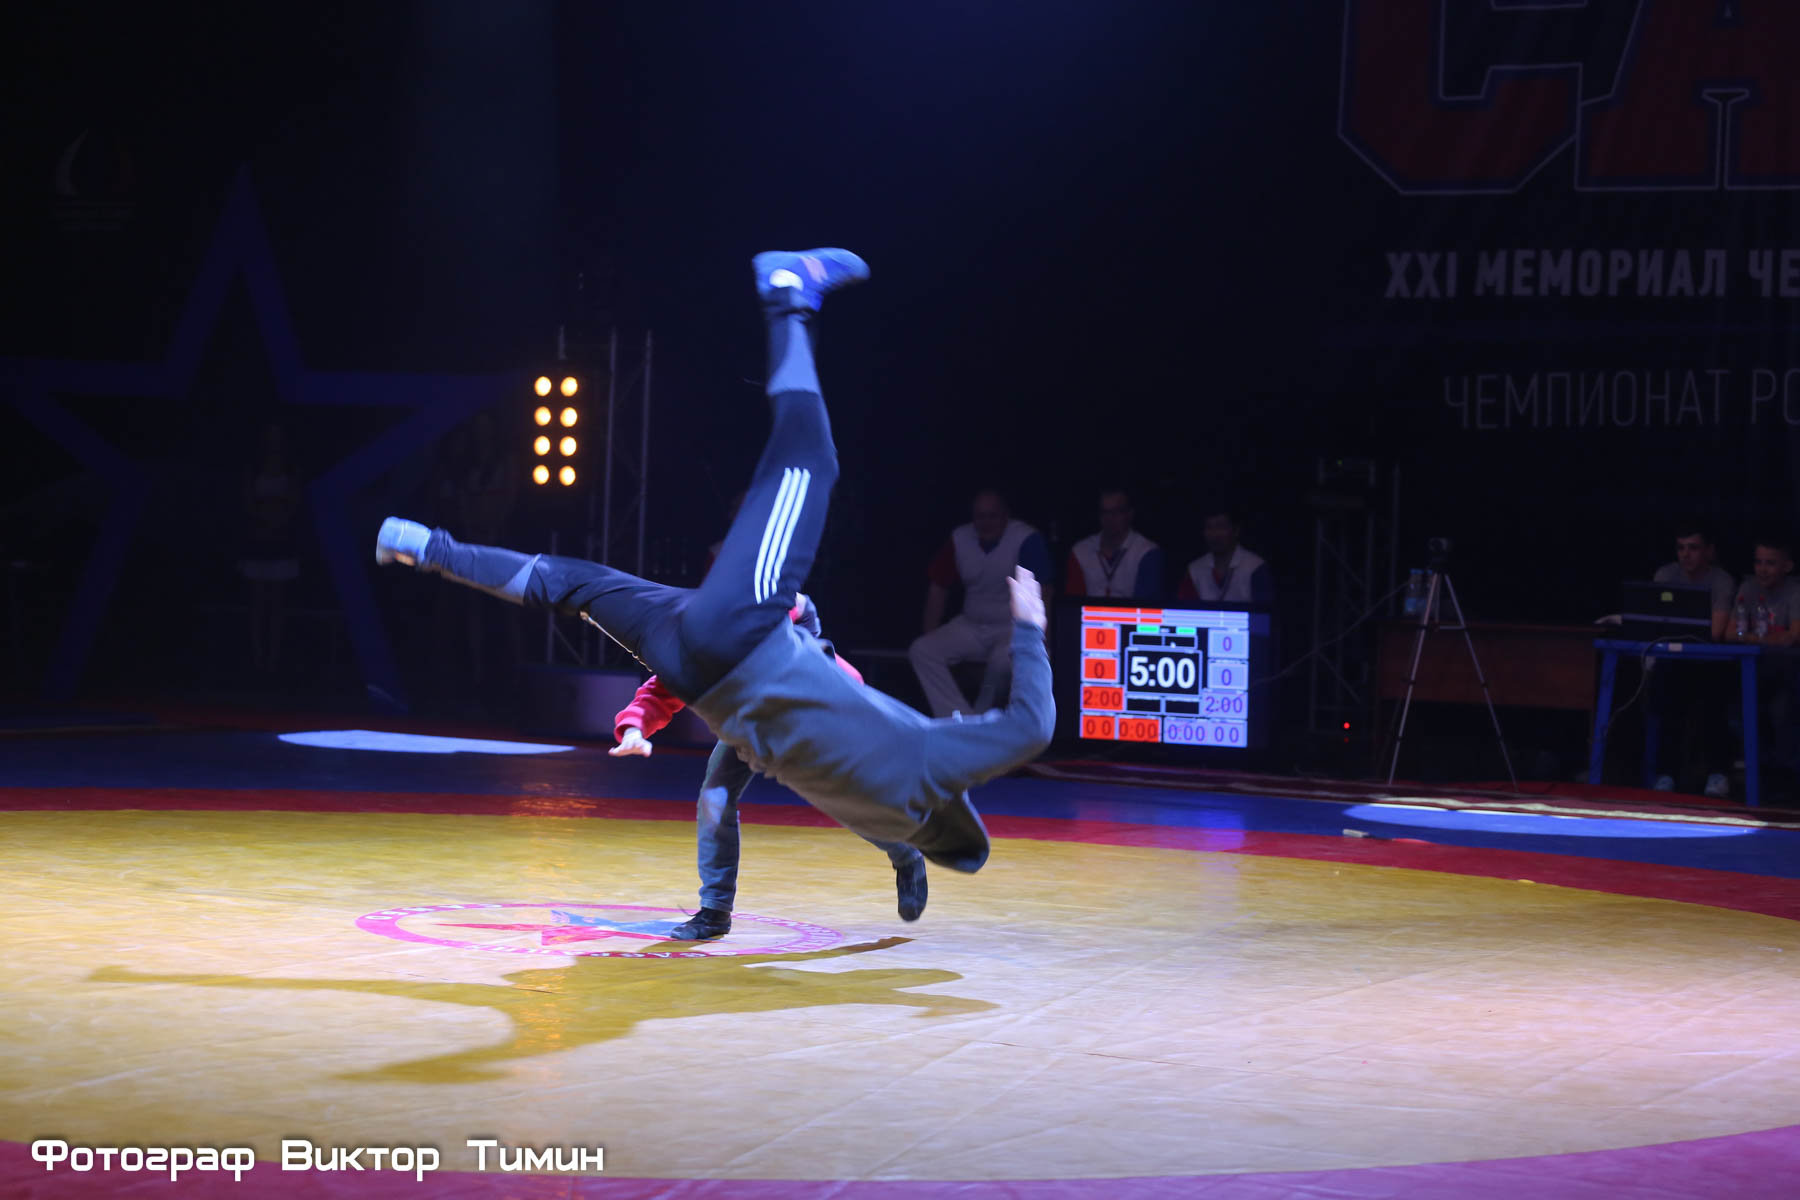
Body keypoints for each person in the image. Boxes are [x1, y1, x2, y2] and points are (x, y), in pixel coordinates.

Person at [376, 247, 1053, 875]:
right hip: (700, 678)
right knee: (576, 585)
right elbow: (900, 809)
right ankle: (423, 547)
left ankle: (788, 293)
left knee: (811, 458)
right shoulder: (867, 807)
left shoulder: (931, 764)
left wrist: (1029, 628)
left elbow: (1032, 727)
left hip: (740, 638)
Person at [610, 594, 928, 940]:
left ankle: (905, 853)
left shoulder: (747, 616)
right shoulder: (689, 648)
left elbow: (802, 606)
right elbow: (657, 694)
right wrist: (633, 730)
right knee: (715, 797)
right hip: (750, 721)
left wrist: (797, 625)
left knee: (840, 799)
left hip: (811, 707)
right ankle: (715, 911)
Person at [908, 490, 1052, 718]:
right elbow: (938, 587)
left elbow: (1044, 592)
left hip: (1010, 628)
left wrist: (1042, 640)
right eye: (980, 516)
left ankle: (981, 718)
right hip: (972, 625)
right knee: (922, 650)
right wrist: (930, 631)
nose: (986, 523)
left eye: (992, 516)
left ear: (1005, 516)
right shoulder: (960, 538)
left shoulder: (1025, 538)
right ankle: (959, 719)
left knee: (1000, 661)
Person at [1648, 521, 1737, 797]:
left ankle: (1718, 773)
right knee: (1665, 691)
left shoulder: (1722, 580)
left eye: (1693, 548)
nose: (1686, 554)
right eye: (1681, 548)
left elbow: (1716, 631)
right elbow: (1653, 623)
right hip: (1673, 660)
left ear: (1709, 551)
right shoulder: (1665, 575)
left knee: (1714, 698)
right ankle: (1665, 774)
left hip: (1710, 661)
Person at [1724, 535, 1800, 802]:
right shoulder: (1748, 587)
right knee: (1735, 710)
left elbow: (1793, 636)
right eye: (1758, 562)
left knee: (1783, 711)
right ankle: (1757, 776)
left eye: (1770, 563)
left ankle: (1786, 782)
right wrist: (1764, 639)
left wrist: (1751, 638)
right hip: (1752, 673)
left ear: (1787, 566)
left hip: (1788, 674)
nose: (1762, 570)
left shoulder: (1795, 591)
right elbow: (1730, 633)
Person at [1063, 488, 1163, 600]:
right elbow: (1074, 602)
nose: (1110, 518)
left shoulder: (1146, 551)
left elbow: (1145, 604)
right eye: (1105, 512)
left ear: (1130, 514)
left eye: (1116, 512)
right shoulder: (1080, 551)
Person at [1179, 507, 1273, 604]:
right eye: (1209, 527)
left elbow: (1264, 610)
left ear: (1236, 531)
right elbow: (1184, 609)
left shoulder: (1254, 567)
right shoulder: (1194, 569)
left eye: (1220, 527)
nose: (1215, 534)